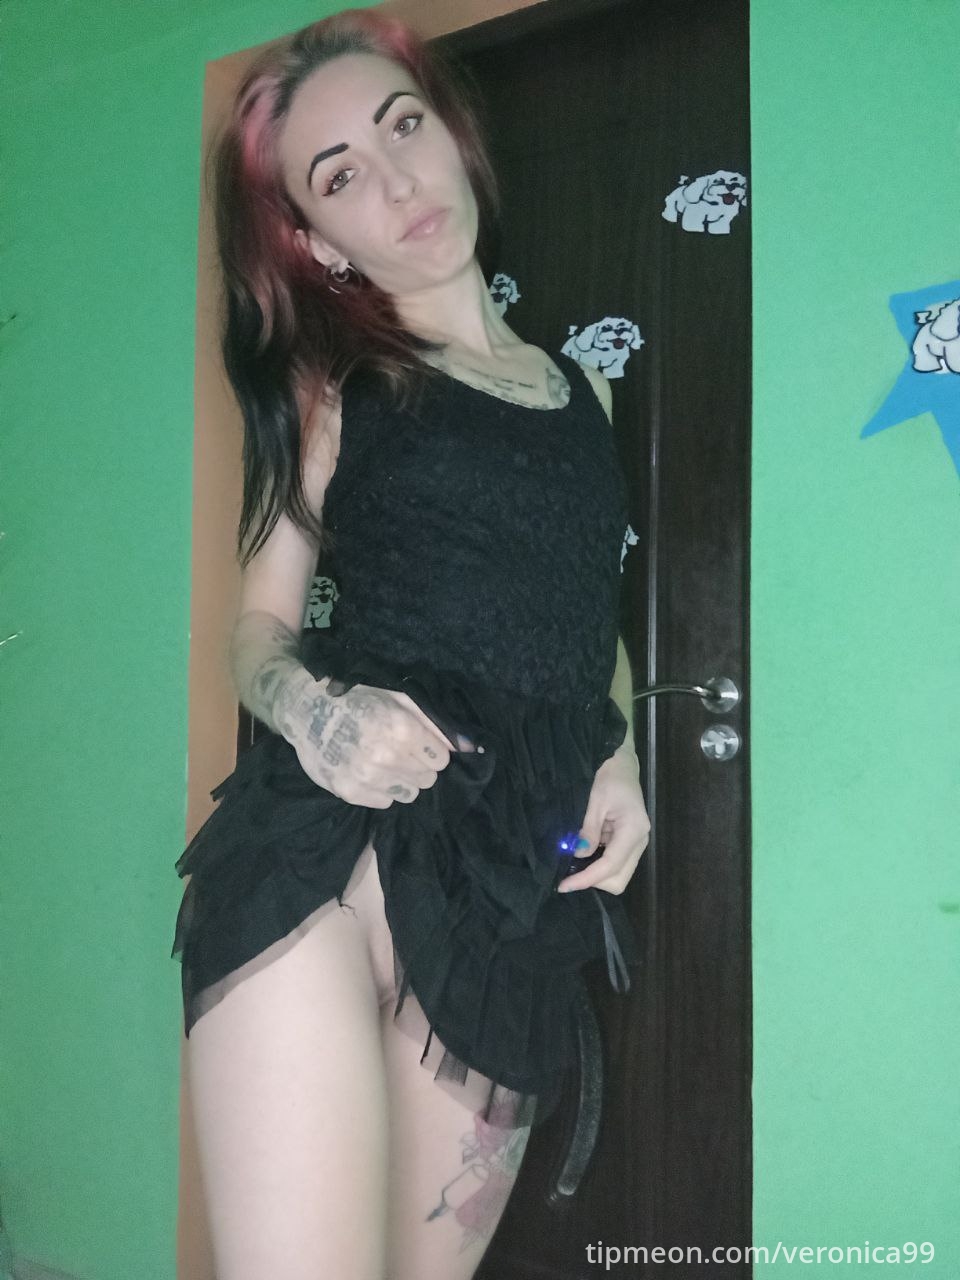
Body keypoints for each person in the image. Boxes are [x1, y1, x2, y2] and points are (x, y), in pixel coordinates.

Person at [171, 9, 651, 1280]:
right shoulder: (330, 382)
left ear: (453, 134)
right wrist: (316, 715)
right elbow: (257, 631)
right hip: (329, 848)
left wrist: (621, 754)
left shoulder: (587, 394)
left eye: (404, 127)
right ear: (317, 239)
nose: (395, 180)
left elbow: (586, 614)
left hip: (508, 883)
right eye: (339, 177)